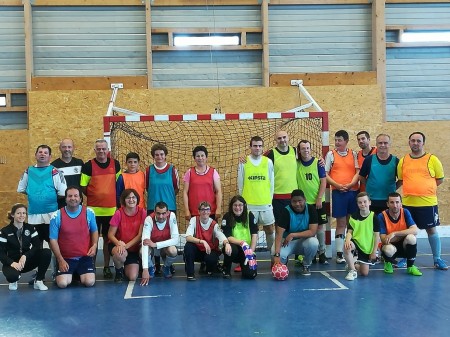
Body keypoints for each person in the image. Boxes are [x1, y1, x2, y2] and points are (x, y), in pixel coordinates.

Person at [397, 131, 447, 270]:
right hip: (408, 203)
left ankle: (437, 259)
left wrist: (426, 189)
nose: (415, 143)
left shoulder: (433, 159)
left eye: (418, 141)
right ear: (409, 142)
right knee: (408, 232)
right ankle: (405, 258)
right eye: (413, 140)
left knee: (431, 230)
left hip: (427, 203)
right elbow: (401, 180)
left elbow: (440, 179)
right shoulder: (403, 160)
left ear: (423, 143)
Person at [80, 139, 121, 279]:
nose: (101, 151)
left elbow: (118, 185)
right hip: (93, 212)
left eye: (104, 149)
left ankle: (106, 266)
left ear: (108, 149)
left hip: (111, 211)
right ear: (95, 150)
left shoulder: (116, 164)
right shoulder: (87, 166)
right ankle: (91, 266)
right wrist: (96, 196)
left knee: (109, 241)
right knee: (93, 241)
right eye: (98, 149)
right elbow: (83, 187)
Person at [49, 186, 98, 288]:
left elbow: (94, 231)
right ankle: (65, 271)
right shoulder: (56, 215)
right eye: (70, 196)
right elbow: (53, 240)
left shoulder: (89, 212)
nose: (73, 198)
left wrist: (94, 245)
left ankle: (76, 273)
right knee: (62, 284)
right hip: (66, 258)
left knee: (89, 282)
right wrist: (60, 259)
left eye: (76, 196)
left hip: (84, 257)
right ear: (66, 199)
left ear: (80, 199)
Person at [17, 144, 67, 243]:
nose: (42, 154)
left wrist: (49, 197)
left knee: (53, 242)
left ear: (50, 156)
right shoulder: (28, 171)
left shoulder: (55, 172)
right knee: (36, 244)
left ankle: (56, 259)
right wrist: (34, 195)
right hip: (33, 215)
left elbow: (63, 192)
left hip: (51, 213)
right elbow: (22, 189)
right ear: (35, 155)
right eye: (40, 152)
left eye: (45, 153)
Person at [325, 130, 359, 264]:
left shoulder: (353, 154)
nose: (337, 142)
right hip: (338, 192)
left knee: (352, 223)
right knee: (341, 223)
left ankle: (352, 250)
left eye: (340, 140)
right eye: (336, 140)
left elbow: (357, 172)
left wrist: (351, 184)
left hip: (352, 192)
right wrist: (338, 185)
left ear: (346, 141)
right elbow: (326, 174)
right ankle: (339, 253)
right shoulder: (331, 154)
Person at [0, 204, 51, 291]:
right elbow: (1, 253)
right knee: (12, 277)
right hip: (12, 263)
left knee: (46, 252)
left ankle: (38, 281)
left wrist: (25, 256)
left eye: (24, 213)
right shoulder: (5, 231)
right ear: (13, 215)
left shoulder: (30, 228)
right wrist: (12, 263)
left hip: (26, 261)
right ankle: (14, 280)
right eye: (19, 213)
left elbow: (36, 246)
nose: (22, 215)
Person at [146, 143, 179, 274]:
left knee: (167, 236)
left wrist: (167, 201)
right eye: (156, 154)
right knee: (154, 236)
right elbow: (147, 188)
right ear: (153, 156)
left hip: (169, 207)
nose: (159, 156)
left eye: (161, 154)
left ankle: (168, 264)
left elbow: (176, 188)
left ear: (165, 155)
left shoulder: (172, 169)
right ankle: (156, 265)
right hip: (152, 207)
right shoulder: (149, 170)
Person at [238, 136, 275, 253]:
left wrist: (269, 200)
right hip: (249, 205)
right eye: (255, 146)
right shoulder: (244, 162)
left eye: (260, 146)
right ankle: (246, 259)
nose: (257, 148)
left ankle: (274, 257)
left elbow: (271, 183)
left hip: (265, 204)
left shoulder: (268, 162)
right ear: (250, 147)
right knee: (249, 232)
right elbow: (240, 184)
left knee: (270, 229)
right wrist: (242, 204)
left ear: (262, 147)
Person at [272, 189, 319, 276]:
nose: (297, 204)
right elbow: (279, 234)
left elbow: (312, 231)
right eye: (294, 201)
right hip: (287, 242)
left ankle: (306, 265)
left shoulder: (311, 209)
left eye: (300, 201)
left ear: (305, 200)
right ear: (291, 201)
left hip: (304, 242)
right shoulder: (286, 211)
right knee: (273, 252)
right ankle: (283, 263)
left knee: (314, 243)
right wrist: (277, 255)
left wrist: (293, 234)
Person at [296, 140, 328, 264]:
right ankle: (311, 252)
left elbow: (323, 181)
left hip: (317, 201)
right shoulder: (297, 163)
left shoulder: (318, 163)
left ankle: (322, 252)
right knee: (307, 228)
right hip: (303, 204)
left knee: (320, 227)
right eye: (303, 148)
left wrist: (319, 198)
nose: (306, 150)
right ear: (299, 150)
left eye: (308, 148)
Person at [183, 201, 229, 281]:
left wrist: (227, 243)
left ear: (210, 211)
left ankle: (211, 265)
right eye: (202, 209)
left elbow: (221, 236)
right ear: (199, 211)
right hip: (198, 250)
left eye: (207, 209)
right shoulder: (194, 220)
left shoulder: (214, 224)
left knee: (211, 264)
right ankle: (190, 274)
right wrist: (202, 241)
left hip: (209, 251)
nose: (205, 212)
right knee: (188, 246)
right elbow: (188, 237)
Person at [378, 192, 422, 276]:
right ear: (387, 204)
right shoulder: (382, 216)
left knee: (411, 238)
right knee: (388, 249)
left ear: (401, 203)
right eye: (392, 202)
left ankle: (410, 266)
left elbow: (415, 230)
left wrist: (394, 234)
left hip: (403, 245)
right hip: (390, 247)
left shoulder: (405, 212)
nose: (395, 205)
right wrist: (403, 235)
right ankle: (388, 263)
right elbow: (384, 240)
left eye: (397, 202)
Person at [108, 189, 146, 283]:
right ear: (124, 200)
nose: (131, 200)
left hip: (133, 248)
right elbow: (110, 234)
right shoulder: (118, 213)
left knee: (132, 277)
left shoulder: (142, 212)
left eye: (133, 197)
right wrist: (119, 244)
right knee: (120, 254)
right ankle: (119, 272)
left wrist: (126, 246)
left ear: (137, 199)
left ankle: (132, 265)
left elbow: (140, 235)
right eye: (128, 198)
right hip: (119, 246)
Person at [359, 134, 399, 215]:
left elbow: (401, 179)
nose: (383, 145)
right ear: (376, 144)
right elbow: (361, 176)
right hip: (372, 200)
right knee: (373, 226)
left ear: (389, 144)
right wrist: (370, 186)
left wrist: (394, 187)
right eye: (380, 143)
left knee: (388, 226)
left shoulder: (396, 161)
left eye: (385, 143)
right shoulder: (369, 160)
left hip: (390, 201)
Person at [343, 192, 380, 281]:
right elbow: (350, 231)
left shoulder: (374, 217)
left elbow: (376, 236)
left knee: (364, 273)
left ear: (369, 202)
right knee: (347, 246)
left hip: (367, 247)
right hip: (356, 242)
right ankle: (352, 271)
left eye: (365, 201)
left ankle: (353, 263)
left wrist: (374, 252)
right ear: (357, 204)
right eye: (360, 202)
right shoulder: (354, 216)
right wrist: (347, 240)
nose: (362, 204)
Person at [141, 201, 179, 285]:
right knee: (141, 251)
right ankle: (151, 268)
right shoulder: (149, 219)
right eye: (158, 213)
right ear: (154, 212)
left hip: (164, 247)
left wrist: (156, 244)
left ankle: (166, 267)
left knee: (173, 250)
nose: (161, 216)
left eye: (163, 213)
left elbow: (176, 239)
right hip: (153, 249)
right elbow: (144, 244)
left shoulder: (172, 216)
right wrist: (145, 269)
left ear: (168, 213)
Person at [221, 195, 258, 279]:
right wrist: (242, 243)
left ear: (244, 206)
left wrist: (251, 253)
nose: (238, 208)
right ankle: (226, 269)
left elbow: (254, 235)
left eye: (240, 205)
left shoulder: (250, 216)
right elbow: (228, 236)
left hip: (247, 250)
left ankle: (244, 266)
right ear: (231, 206)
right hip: (234, 247)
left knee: (250, 275)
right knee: (231, 249)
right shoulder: (227, 217)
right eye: (235, 205)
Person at [183, 146, 222, 222]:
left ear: (206, 157)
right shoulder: (189, 172)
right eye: (197, 156)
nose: (200, 158)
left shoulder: (213, 172)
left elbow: (218, 191)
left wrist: (219, 208)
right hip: (195, 212)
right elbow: (185, 192)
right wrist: (187, 210)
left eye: (202, 155)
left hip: (210, 212)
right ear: (194, 158)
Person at [51, 138, 84, 209]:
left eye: (69, 147)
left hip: (77, 203)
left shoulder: (79, 163)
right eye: (64, 147)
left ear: (73, 148)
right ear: (60, 148)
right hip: (61, 204)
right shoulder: (54, 166)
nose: (67, 149)